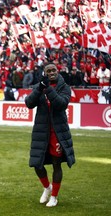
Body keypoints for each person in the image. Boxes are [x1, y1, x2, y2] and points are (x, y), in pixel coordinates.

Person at [24, 62, 75, 207]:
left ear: (58, 71)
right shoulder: (39, 86)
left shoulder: (64, 87)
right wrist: (39, 88)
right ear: (44, 73)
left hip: (57, 131)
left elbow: (61, 104)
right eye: (48, 71)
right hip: (41, 131)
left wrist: (48, 90)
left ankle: (54, 196)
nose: (52, 73)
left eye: (54, 70)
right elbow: (28, 103)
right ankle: (47, 188)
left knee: (56, 164)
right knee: (36, 163)